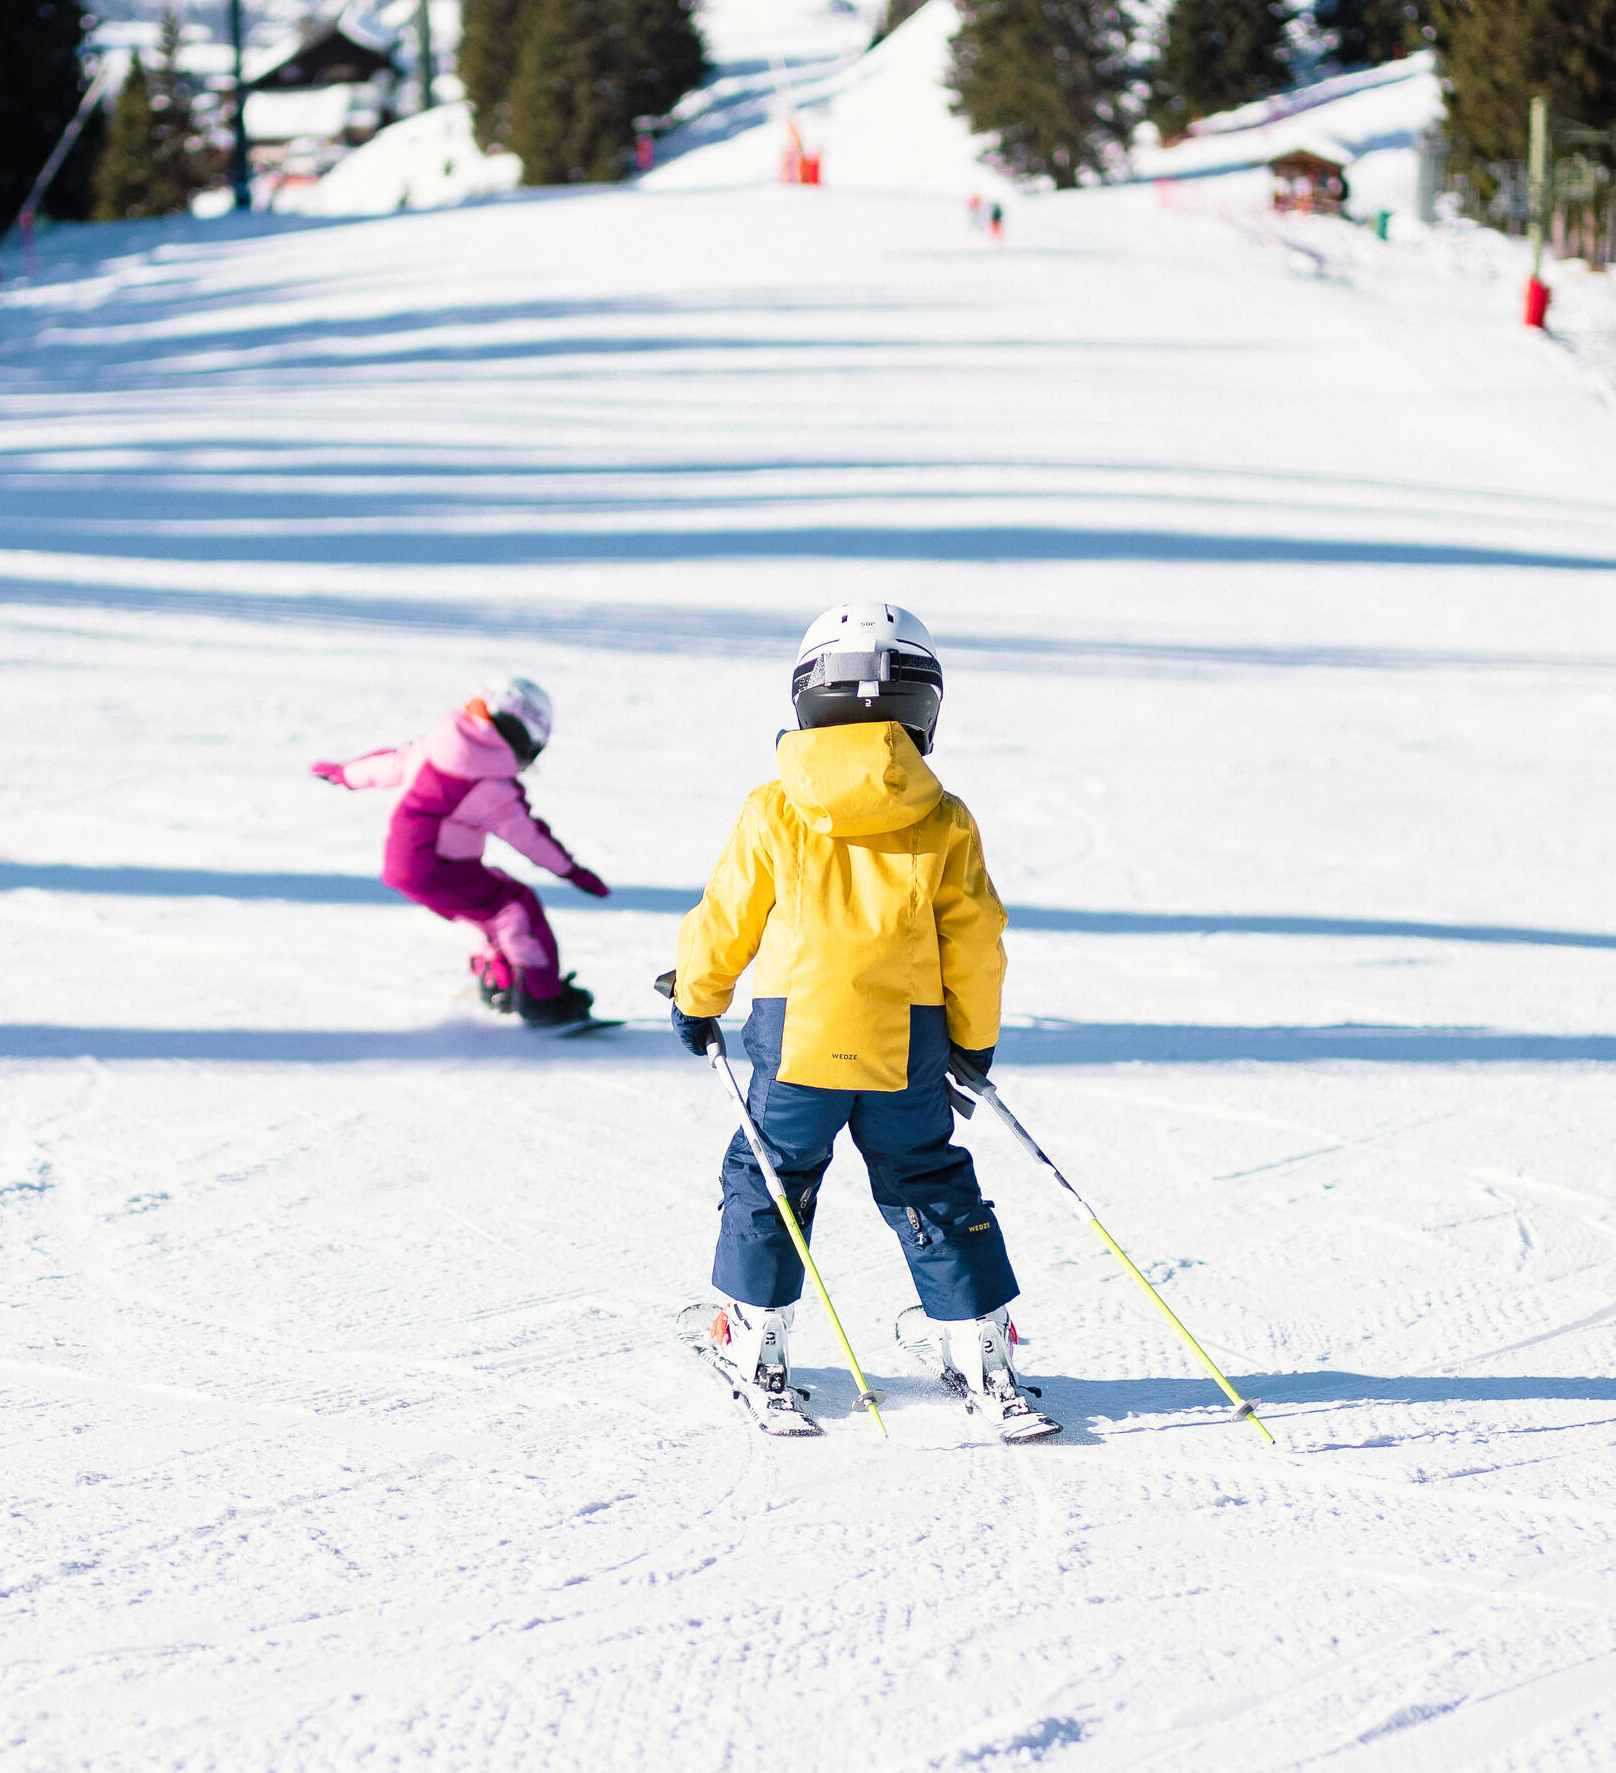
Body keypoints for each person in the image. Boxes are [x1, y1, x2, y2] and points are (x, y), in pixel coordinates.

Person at [664, 605, 1058, 1440]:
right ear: (925, 707)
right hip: (905, 1038)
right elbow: (975, 940)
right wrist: (973, 1040)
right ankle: (982, 1353)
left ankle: (754, 1343)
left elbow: (727, 915)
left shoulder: (775, 808)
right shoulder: (943, 816)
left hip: (797, 1034)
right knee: (926, 1177)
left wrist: (698, 998)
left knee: (773, 1172)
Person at [313, 676, 607, 1029]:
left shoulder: (429, 748)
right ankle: (544, 1001)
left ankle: (498, 984)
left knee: (485, 910)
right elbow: (530, 838)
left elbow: (384, 765)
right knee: (516, 907)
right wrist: (572, 872)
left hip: (401, 865)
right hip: (437, 867)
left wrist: (343, 773)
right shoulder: (492, 784)